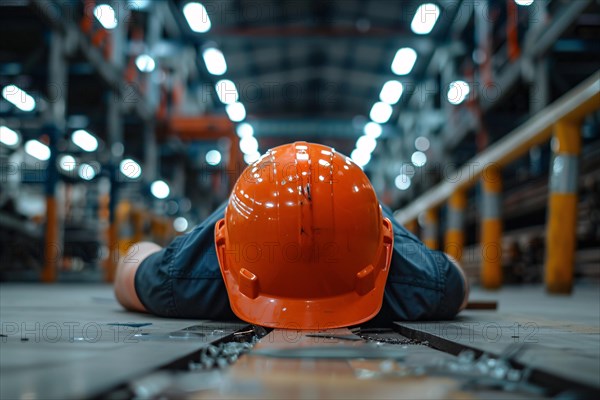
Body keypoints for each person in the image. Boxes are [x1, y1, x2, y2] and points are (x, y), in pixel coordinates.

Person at [115, 142, 468, 329]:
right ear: (386, 247)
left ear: (223, 252)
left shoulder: (190, 276)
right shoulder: (419, 282)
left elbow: (129, 267)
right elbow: (456, 279)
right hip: (335, 218)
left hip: (264, 210)